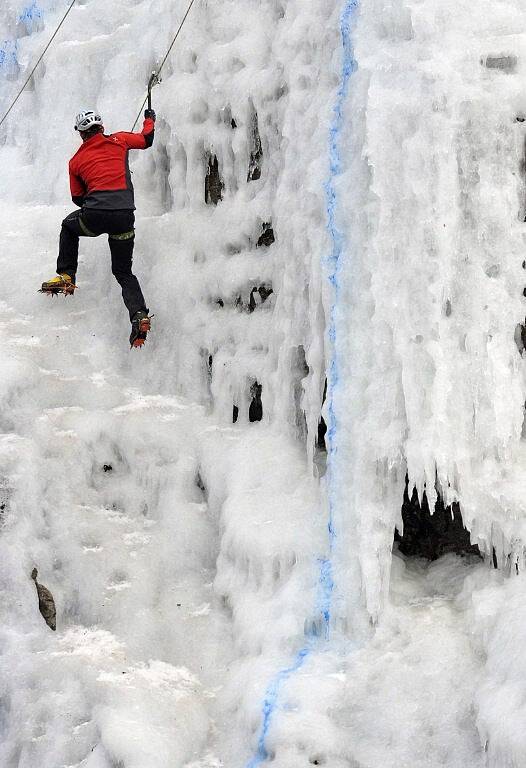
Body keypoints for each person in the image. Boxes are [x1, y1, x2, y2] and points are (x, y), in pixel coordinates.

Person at [41, 108, 156, 348]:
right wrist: (149, 119)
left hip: (94, 216)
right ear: (102, 127)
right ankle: (138, 315)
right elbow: (147, 139)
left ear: (81, 133)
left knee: (68, 226)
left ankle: (66, 275)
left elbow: (77, 198)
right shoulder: (120, 140)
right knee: (124, 272)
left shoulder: (75, 161)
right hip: (124, 216)